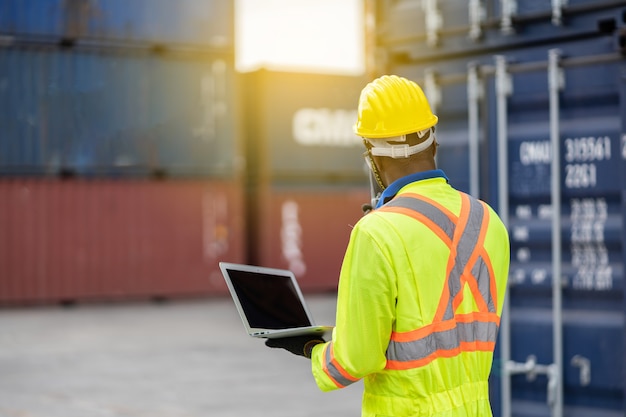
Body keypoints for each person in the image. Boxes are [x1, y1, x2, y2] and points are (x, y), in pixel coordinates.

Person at [266, 74, 510, 417]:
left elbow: (356, 360)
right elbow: (444, 318)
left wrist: (310, 348)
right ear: (433, 143)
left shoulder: (375, 234)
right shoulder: (488, 221)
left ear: (373, 157)